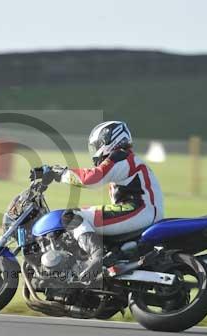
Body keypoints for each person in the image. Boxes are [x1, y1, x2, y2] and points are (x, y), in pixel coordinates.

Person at [31, 121, 164, 284]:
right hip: (142, 211)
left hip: (139, 210)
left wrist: (58, 172)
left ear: (110, 140)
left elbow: (92, 178)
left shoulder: (120, 156)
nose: (95, 151)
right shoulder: (126, 158)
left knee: (71, 215)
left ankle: (96, 257)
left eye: (97, 145)